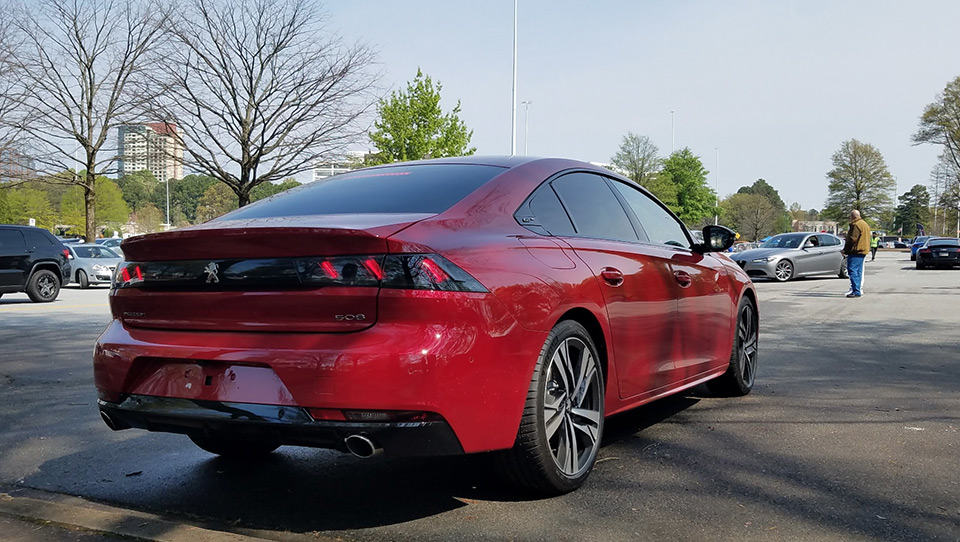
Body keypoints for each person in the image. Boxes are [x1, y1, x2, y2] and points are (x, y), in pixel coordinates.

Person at [841, 210, 871, 298]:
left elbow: (853, 239)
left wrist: (845, 250)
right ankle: (858, 289)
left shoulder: (856, 225)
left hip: (856, 251)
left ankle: (855, 290)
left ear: (853, 216)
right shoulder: (865, 224)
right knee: (859, 271)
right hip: (863, 250)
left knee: (852, 270)